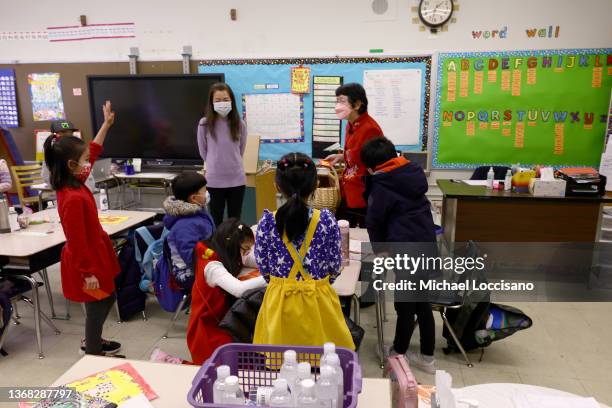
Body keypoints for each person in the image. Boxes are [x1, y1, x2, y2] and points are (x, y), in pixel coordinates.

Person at [43, 101, 122, 356]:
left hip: (95, 252)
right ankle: (93, 352)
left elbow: (94, 150)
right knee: (98, 303)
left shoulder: (74, 182)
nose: (89, 163)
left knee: (105, 298)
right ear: (71, 165)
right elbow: (76, 240)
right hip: (86, 259)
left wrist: (106, 126)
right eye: (84, 160)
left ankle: (94, 342)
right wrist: (87, 273)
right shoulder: (72, 197)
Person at [253, 152, 354, 349]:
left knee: (280, 363)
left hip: (279, 301)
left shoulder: (267, 222)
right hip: (318, 301)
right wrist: (316, 283)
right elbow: (334, 265)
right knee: (322, 363)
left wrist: (282, 283)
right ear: (316, 185)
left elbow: (263, 266)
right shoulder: (326, 220)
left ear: (277, 186)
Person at [361, 136, 437, 374]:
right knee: (422, 303)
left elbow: (374, 221)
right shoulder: (412, 171)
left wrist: (381, 251)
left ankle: (398, 352)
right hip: (426, 244)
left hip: (405, 249)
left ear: (372, 166)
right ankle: (427, 357)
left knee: (405, 305)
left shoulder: (381, 184)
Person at [325, 83, 383, 227]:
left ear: (357, 104)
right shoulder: (350, 124)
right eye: (337, 101)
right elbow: (356, 151)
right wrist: (341, 156)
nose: (338, 105)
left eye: (342, 101)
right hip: (349, 189)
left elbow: (375, 164)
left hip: (364, 194)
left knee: (363, 237)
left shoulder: (370, 129)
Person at [197, 83, 248, 227]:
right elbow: (203, 151)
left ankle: (233, 248)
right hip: (214, 181)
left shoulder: (240, 124)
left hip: (237, 180)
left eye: (225, 99)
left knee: (235, 221)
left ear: (231, 100)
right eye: (217, 100)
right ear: (211, 103)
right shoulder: (204, 124)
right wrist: (215, 164)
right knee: (216, 219)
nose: (222, 103)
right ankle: (217, 249)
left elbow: (241, 150)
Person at [160, 172, 215, 291]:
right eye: (204, 190)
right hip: (188, 273)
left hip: (204, 260)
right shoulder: (185, 225)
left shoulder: (198, 211)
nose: (207, 193)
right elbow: (191, 258)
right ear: (194, 198)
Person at [42, 120, 97, 193]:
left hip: (86, 191)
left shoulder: (77, 149)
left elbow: (93, 152)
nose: (68, 135)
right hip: (72, 194)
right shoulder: (54, 153)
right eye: (63, 132)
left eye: (70, 132)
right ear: (54, 135)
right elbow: (46, 176)